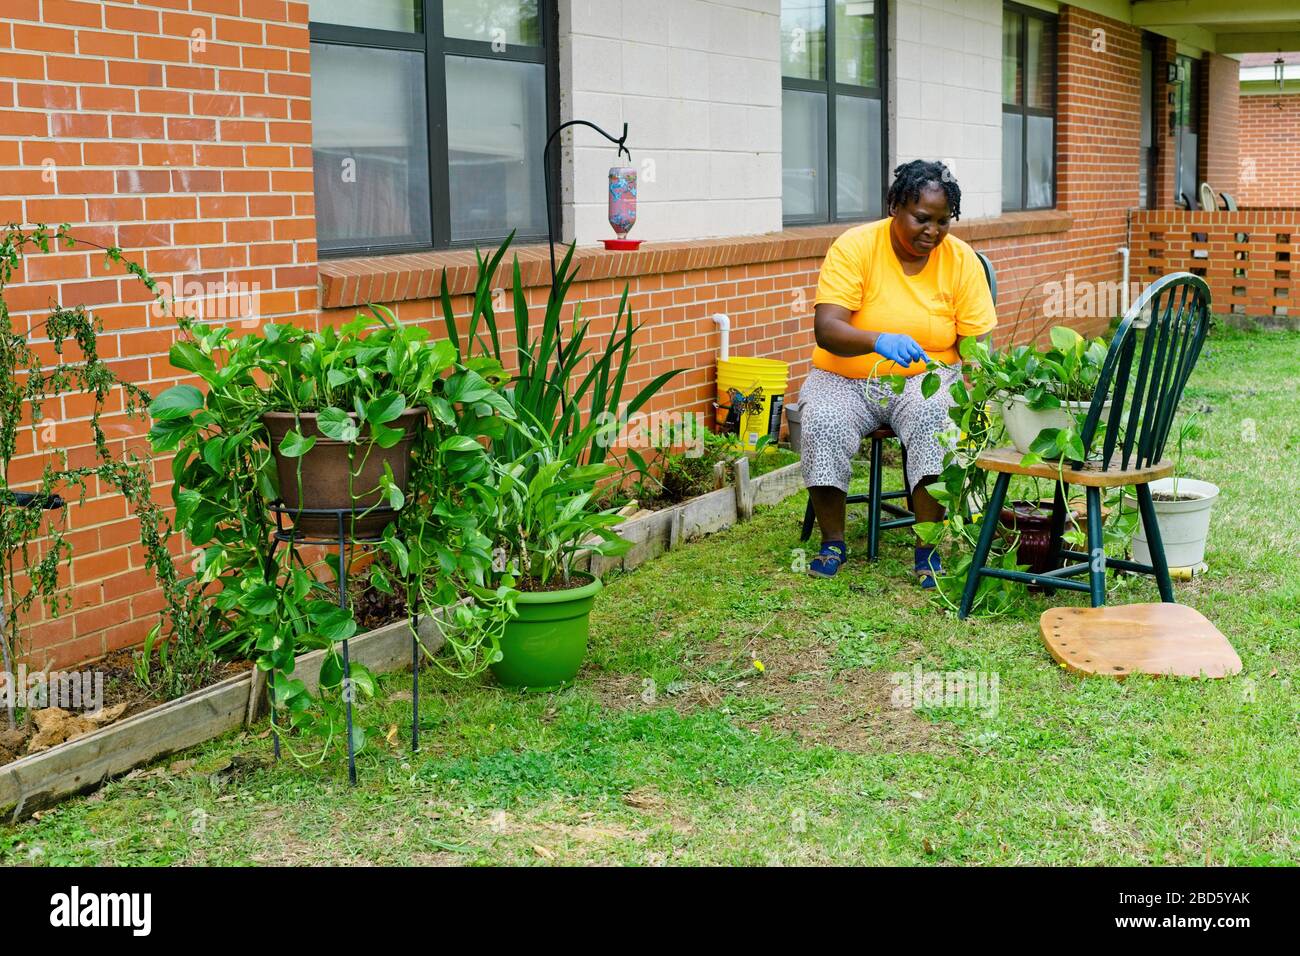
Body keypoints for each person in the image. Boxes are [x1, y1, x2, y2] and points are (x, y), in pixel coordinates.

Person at [799, 159, 997, 585]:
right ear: (894, 206)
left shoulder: (961, 260)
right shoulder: (854, 247)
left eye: (944, 221)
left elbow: (976, 344)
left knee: (936, 416)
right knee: (823, 420)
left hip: (926, 376)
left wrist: (977, 392)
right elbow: (827, 330)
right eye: (922, 218)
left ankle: (927, 548)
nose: (933, 231)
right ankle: (832, 541)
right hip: (846, 377)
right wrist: (877, 340)